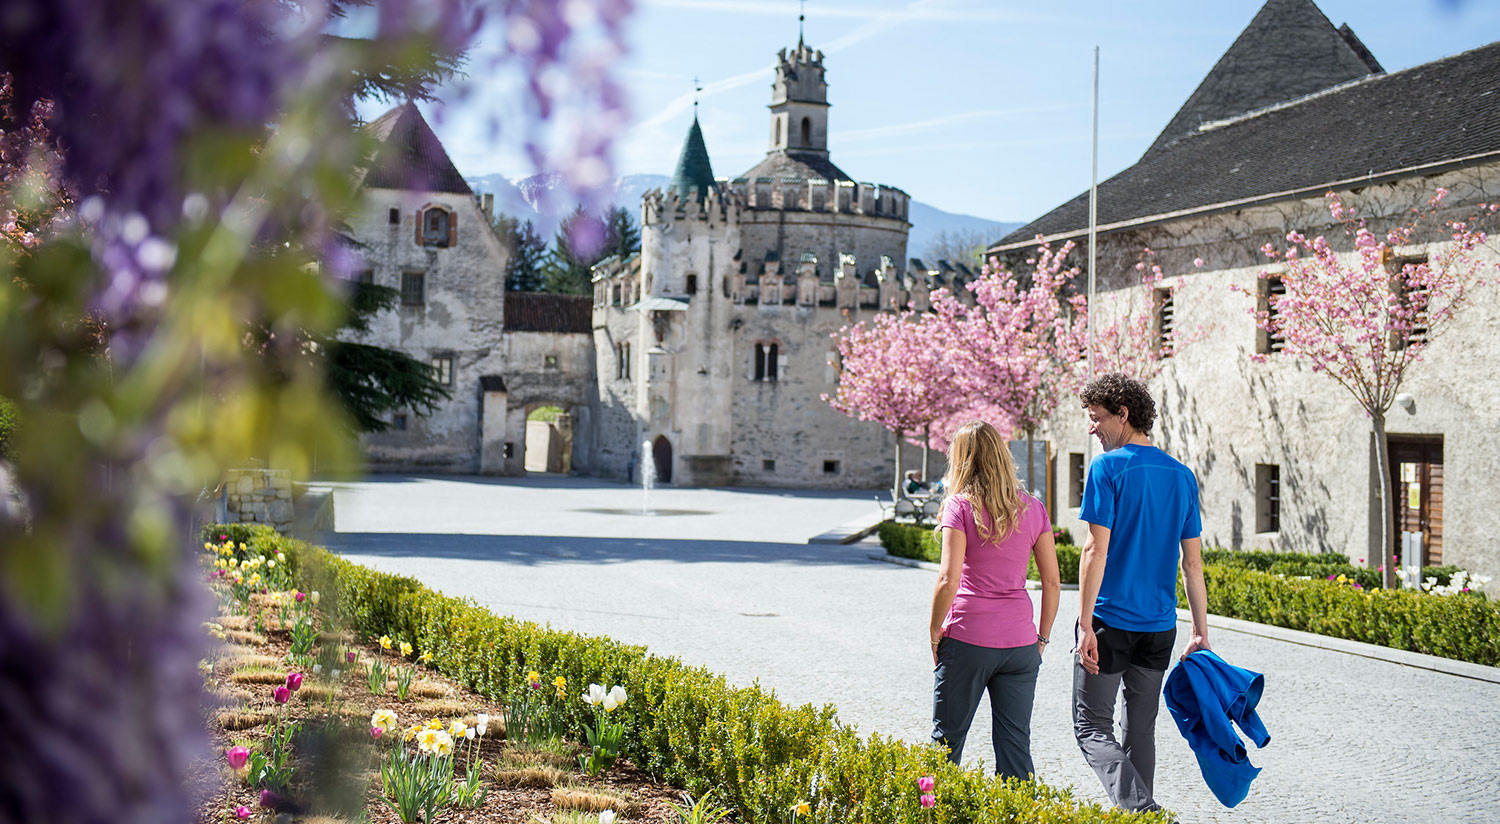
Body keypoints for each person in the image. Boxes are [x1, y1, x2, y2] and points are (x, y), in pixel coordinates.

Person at [1073, 373, 1210, 812]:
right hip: (1160, 628)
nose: (1092, 428)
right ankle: (1140, 816)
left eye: (1096, 419)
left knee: (1090, 727)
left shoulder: (1107, 468)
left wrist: (1084, 624)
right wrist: (1199, 632)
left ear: (1124, 414)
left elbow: (1095, 549)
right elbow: (1192, 564)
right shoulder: (1182, 476)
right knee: (1139, 731)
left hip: (1110, 622)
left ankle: (1141, 811)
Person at [929, 420, 1061, 779]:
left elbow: (948, 578)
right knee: (1015, 746)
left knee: (944, 745)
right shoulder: (1033, 508)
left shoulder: (960, 507)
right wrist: (1042, 639)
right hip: (1020, 645)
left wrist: (934, 632)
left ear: (961, 460)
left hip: (969, 638)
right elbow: (1052, 581)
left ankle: (925, 814)